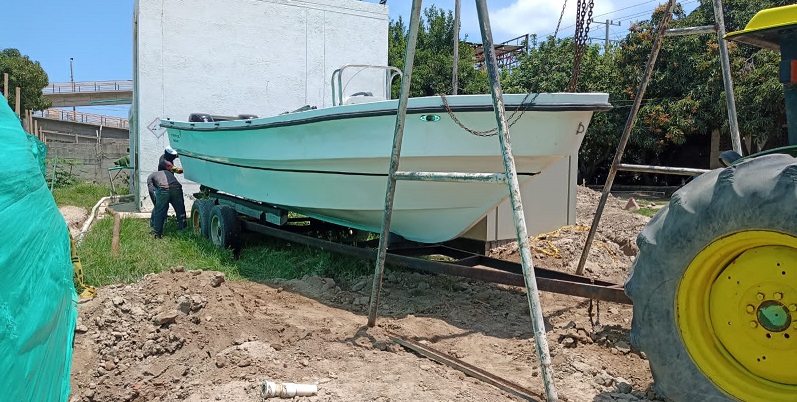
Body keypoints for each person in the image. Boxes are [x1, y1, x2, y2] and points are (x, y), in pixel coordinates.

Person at [148, 147, 186, 237]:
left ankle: (157, 233)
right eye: (174, 156)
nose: (175, 157)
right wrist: (189, 169)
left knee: (159, 210)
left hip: (164, 187)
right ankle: (183, 229)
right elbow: (179, 171)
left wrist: (156, 203)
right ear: (169, 155)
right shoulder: (166, 162)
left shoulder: (153, 175)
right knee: (180, 209)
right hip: (175, 187)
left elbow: (151, 190)